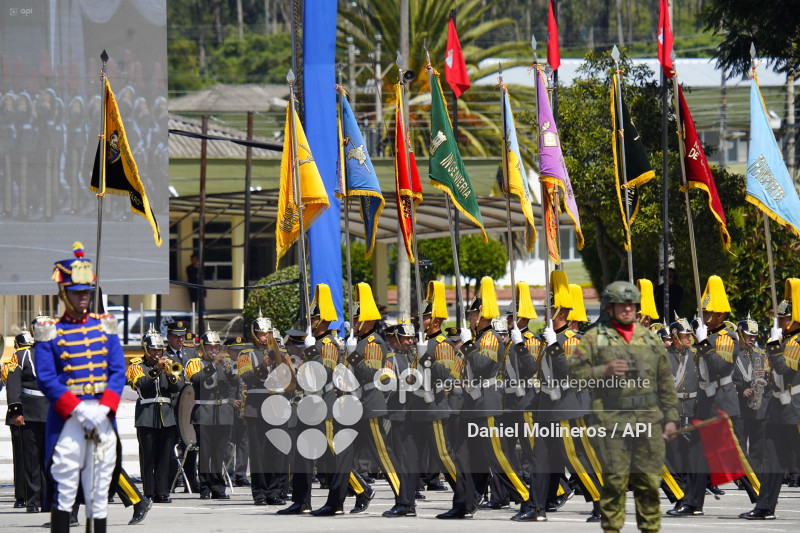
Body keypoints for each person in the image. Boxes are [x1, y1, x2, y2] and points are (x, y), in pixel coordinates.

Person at [569, 280, 679, 533]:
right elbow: (574, 375)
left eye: (631, 305)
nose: (628, 309)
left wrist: (671, 418)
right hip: (612, 419)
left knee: (648, 484)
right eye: (622, 304)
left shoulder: (650, 339)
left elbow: (665, 382)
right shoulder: (594, 338)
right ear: (610, 307)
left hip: (647, 418)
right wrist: (602, 370)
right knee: (615, 484)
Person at [34, 242, 127, 533]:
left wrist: (104, 408)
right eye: (77, 292)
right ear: (64, 293)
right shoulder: (50, 331)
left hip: (101, 413)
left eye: (87, 291)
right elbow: (46, 378)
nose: (84, 297)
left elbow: (118, 371)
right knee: (65, 483)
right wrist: (76, 409)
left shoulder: (105, 327)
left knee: (99, 488)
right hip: (69, 417)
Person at [534, 271, 604, 523]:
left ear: (560, 313)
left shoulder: (571, 340)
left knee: (576, 458)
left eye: (548, 309)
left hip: (569, 407)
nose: (544, 313)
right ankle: (536, 506)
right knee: (540, 458)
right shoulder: (550, 339)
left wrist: (555, 347)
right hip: (548, 409)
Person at [740, 279, 800, 519]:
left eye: (783, 318)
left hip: (796, 409)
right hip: (779, 410)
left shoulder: (796, 342)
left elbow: (785, 369)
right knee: (772, 460)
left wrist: (774, 346)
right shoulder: (784, 341)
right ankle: (764, 507)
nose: (779, 322)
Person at [126, 326, 185, 503]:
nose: (157, 353)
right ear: (146, 349)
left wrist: (170, 374)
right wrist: (157, 371)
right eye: (153, 350)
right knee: (148, 456)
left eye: (159, 349)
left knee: (164, 456)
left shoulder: (169, 363)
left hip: (166, 416)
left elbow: (178, 388)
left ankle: (163, 491)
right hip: (146, 415)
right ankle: (149, 492)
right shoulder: (137, 365)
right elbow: (139, 384)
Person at [185, 328, 237, 499]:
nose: (214, 351)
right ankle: (205, 487)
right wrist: (213, 365)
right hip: (204, 412)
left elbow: (235, 383)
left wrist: (228, 371)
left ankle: (218, 487)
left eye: (216, 347)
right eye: (210, 347)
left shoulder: (225, 364)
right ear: (202, 348)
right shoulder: (195, 362)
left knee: (219, 453)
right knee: (205, 453)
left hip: (222, 413)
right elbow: (196, 379)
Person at [5, 321, 50, 513]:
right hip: (30, 412)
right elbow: (13, 383)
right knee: (31, 459)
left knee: (50, 460)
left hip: (51, 413)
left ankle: (48, 500)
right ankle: (32, 501)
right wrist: (16, 411)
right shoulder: (21, 355)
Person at [733, 314, 769, 475]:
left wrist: (765, 375)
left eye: (754, 337)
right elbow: (725, 378)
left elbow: (772, 377)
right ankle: (745, 477)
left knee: (758, 444)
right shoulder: (732, 354)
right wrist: (740, 390)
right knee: (740, 443)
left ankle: (756, 474)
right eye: (749, 336)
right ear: (740, 334)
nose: (752, 340)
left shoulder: (760, 353)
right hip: (740, 405)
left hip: (758, 405)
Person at [222, 336, 249, 487]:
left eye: (240, 350)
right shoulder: (224, 366)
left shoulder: (246, 365)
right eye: (235, 350)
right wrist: (231, 400)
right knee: (228, 442)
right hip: (229, 408)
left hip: (244, 408)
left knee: (244, 442)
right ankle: (229, 473)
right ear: (229, 351)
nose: (238, 353)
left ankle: (241, 474)